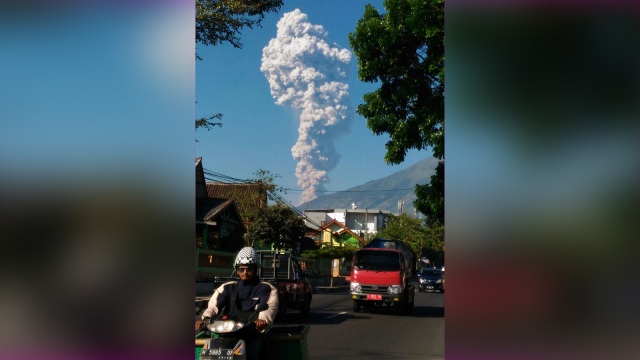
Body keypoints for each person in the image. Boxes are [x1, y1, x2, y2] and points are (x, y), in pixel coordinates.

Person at [196, 247, 278, 360]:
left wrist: (262, 320)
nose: (245, 272)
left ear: (255, 269)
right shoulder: (228, 287)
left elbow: (268, 307)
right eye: (241, 269)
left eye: (249, 269)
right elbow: (213, 306)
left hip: (252, 332)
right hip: (227, 332)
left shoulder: (266, 288)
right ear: (237, 270)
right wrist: (205, 318)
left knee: (255, 355)